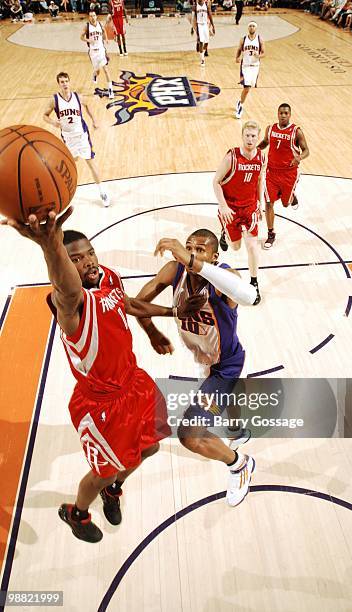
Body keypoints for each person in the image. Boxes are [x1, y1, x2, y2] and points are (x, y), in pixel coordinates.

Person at [1, 209, 204, 542]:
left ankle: (114, 491)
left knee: (149, 450)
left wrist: (168, 316)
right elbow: (66, 286)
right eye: (77, 259)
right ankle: (76, 513)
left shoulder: (107, 277)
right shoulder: (69, 305)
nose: (89, 261)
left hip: (135, 384)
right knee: (102, 472)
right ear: (64, 265)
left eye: (90, 253)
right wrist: (50, 245)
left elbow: (130, 305)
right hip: (101, 406)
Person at [135, 229, 257, 507]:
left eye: (199, 249)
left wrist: (191, 259)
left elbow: (247, 294)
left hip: (226, 364)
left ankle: (240, 465)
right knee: (221, 397)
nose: (190, 252)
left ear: (214, 257)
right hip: (205, 360)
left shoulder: (225, 279)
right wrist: (154, 331)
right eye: (188, 246)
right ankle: (238, 431)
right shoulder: (174, 271)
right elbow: (137, 304)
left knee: (190, 434)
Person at [213, 120, 265, 305]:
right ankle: (224, 234)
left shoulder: (261, 157)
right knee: (235, 247)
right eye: (247, 136)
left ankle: (254, 282)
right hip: (231, 208)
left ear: (258, 138)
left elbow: (260, 181)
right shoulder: (231, 157)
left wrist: (261, 203)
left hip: (250, 207)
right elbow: (216, 182)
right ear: (242, 136)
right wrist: (223, 206)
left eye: (253, 136)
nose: (250, 139)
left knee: (252, 246)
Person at [43, 72, 111, 207]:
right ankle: (64, 192)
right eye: (62, 82)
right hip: (68, 138)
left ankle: (102, 191)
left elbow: (88, 106)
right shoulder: (54, 100)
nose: (65, 84)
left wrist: (94, 120)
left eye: (66, 81)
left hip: (82, 136)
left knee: (91, 163)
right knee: (70, 164)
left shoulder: (78, 97)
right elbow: (44, 115)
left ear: (69, 82)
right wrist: (53, 122)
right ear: (59, 84)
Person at [258, 103, 310, 248]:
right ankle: (271, 234)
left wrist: (299, 157)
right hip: (272, 172)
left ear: (290, 115)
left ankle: (291, 197)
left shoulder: (296, 132)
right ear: (277, 114)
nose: (283, 115)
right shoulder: (271, 129)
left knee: (285, 204)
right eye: (281, 113)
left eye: (286, 113)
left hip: (289, 174)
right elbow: (265, 142)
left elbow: (306, 150)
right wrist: (255, 149)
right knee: (268, 202)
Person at [81, 10, 114, 99]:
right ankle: (94, 75)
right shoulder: (87, 27)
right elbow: (81, 37)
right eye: (91, 16)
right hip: (93, 52)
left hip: (101, 50)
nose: (92, 17)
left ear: (96, 16)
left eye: (94, 15)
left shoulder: (100, 24)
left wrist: (106, 39)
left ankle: (110, 90)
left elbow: (104, 31)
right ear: (89, 17)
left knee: (106, 70)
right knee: (98, 71)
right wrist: (88, 40)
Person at [235, 21, 265, 120]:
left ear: (256, 28)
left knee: (249, 87)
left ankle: (239, 101)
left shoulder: (260, 39)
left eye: (253, 26)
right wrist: (237, 57)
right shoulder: (243, 39)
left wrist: (259, 55)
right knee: (246, 87)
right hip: (245, 65)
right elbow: (239, 49)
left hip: (255, 66)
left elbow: (264, 53)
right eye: (250, 26)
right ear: (248, 28)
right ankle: (241, 106)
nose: (252, 27)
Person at [192, 0, 215, 66]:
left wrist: (213, 26)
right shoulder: (195, 6)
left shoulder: (207, 5)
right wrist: (192, 28)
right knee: (201, 41)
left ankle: (202, 53)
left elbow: (210, 15)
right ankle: (202, 59)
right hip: (199, 25)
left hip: (205, 25)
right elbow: (193, 18)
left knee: (207, 42)